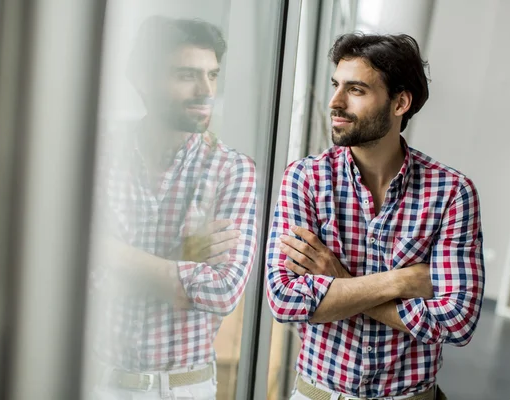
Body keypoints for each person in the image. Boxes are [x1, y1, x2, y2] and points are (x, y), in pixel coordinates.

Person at [266, 32, 485, 400]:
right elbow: (285, 301)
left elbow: (458, 320)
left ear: (400, 102)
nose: (335, 102)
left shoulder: (452, 193)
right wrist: (402, 281)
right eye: (336, 85)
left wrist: (340, 283)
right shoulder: (305, 179)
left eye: (356, 90)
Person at [87, 16, 257, 400]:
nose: (205, 90)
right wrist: (184, 260)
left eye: (212, 75)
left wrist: (111, 253)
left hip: (183, 390)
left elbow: (224, 292)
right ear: (144, 80)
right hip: (96, 382)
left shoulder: (232, 169)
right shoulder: (100, 156)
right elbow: (76, 274)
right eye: (186, 75)